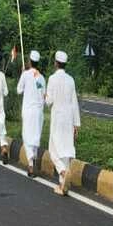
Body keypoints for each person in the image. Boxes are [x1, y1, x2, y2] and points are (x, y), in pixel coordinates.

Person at [45, 51, 80, 196]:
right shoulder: (71, 80)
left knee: (53, 150)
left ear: (55, 63)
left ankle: (63, 172)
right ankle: (62, 185)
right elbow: (74, 102)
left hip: (58, 119)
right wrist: (76, 124)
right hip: (69, 119)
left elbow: (49, 102)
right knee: (65, 150)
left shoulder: (52, 79)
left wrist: (44, 95)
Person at [16, 50, 46, 177]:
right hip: (38, 111)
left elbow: (19, 90)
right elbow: (42, 94)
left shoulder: (25, 75)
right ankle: (33, 157)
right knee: (35, 136)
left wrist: (23, 74)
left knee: (27, 136)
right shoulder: (41, 77)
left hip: (28, 111)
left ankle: (31, 162)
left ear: (29, 61)